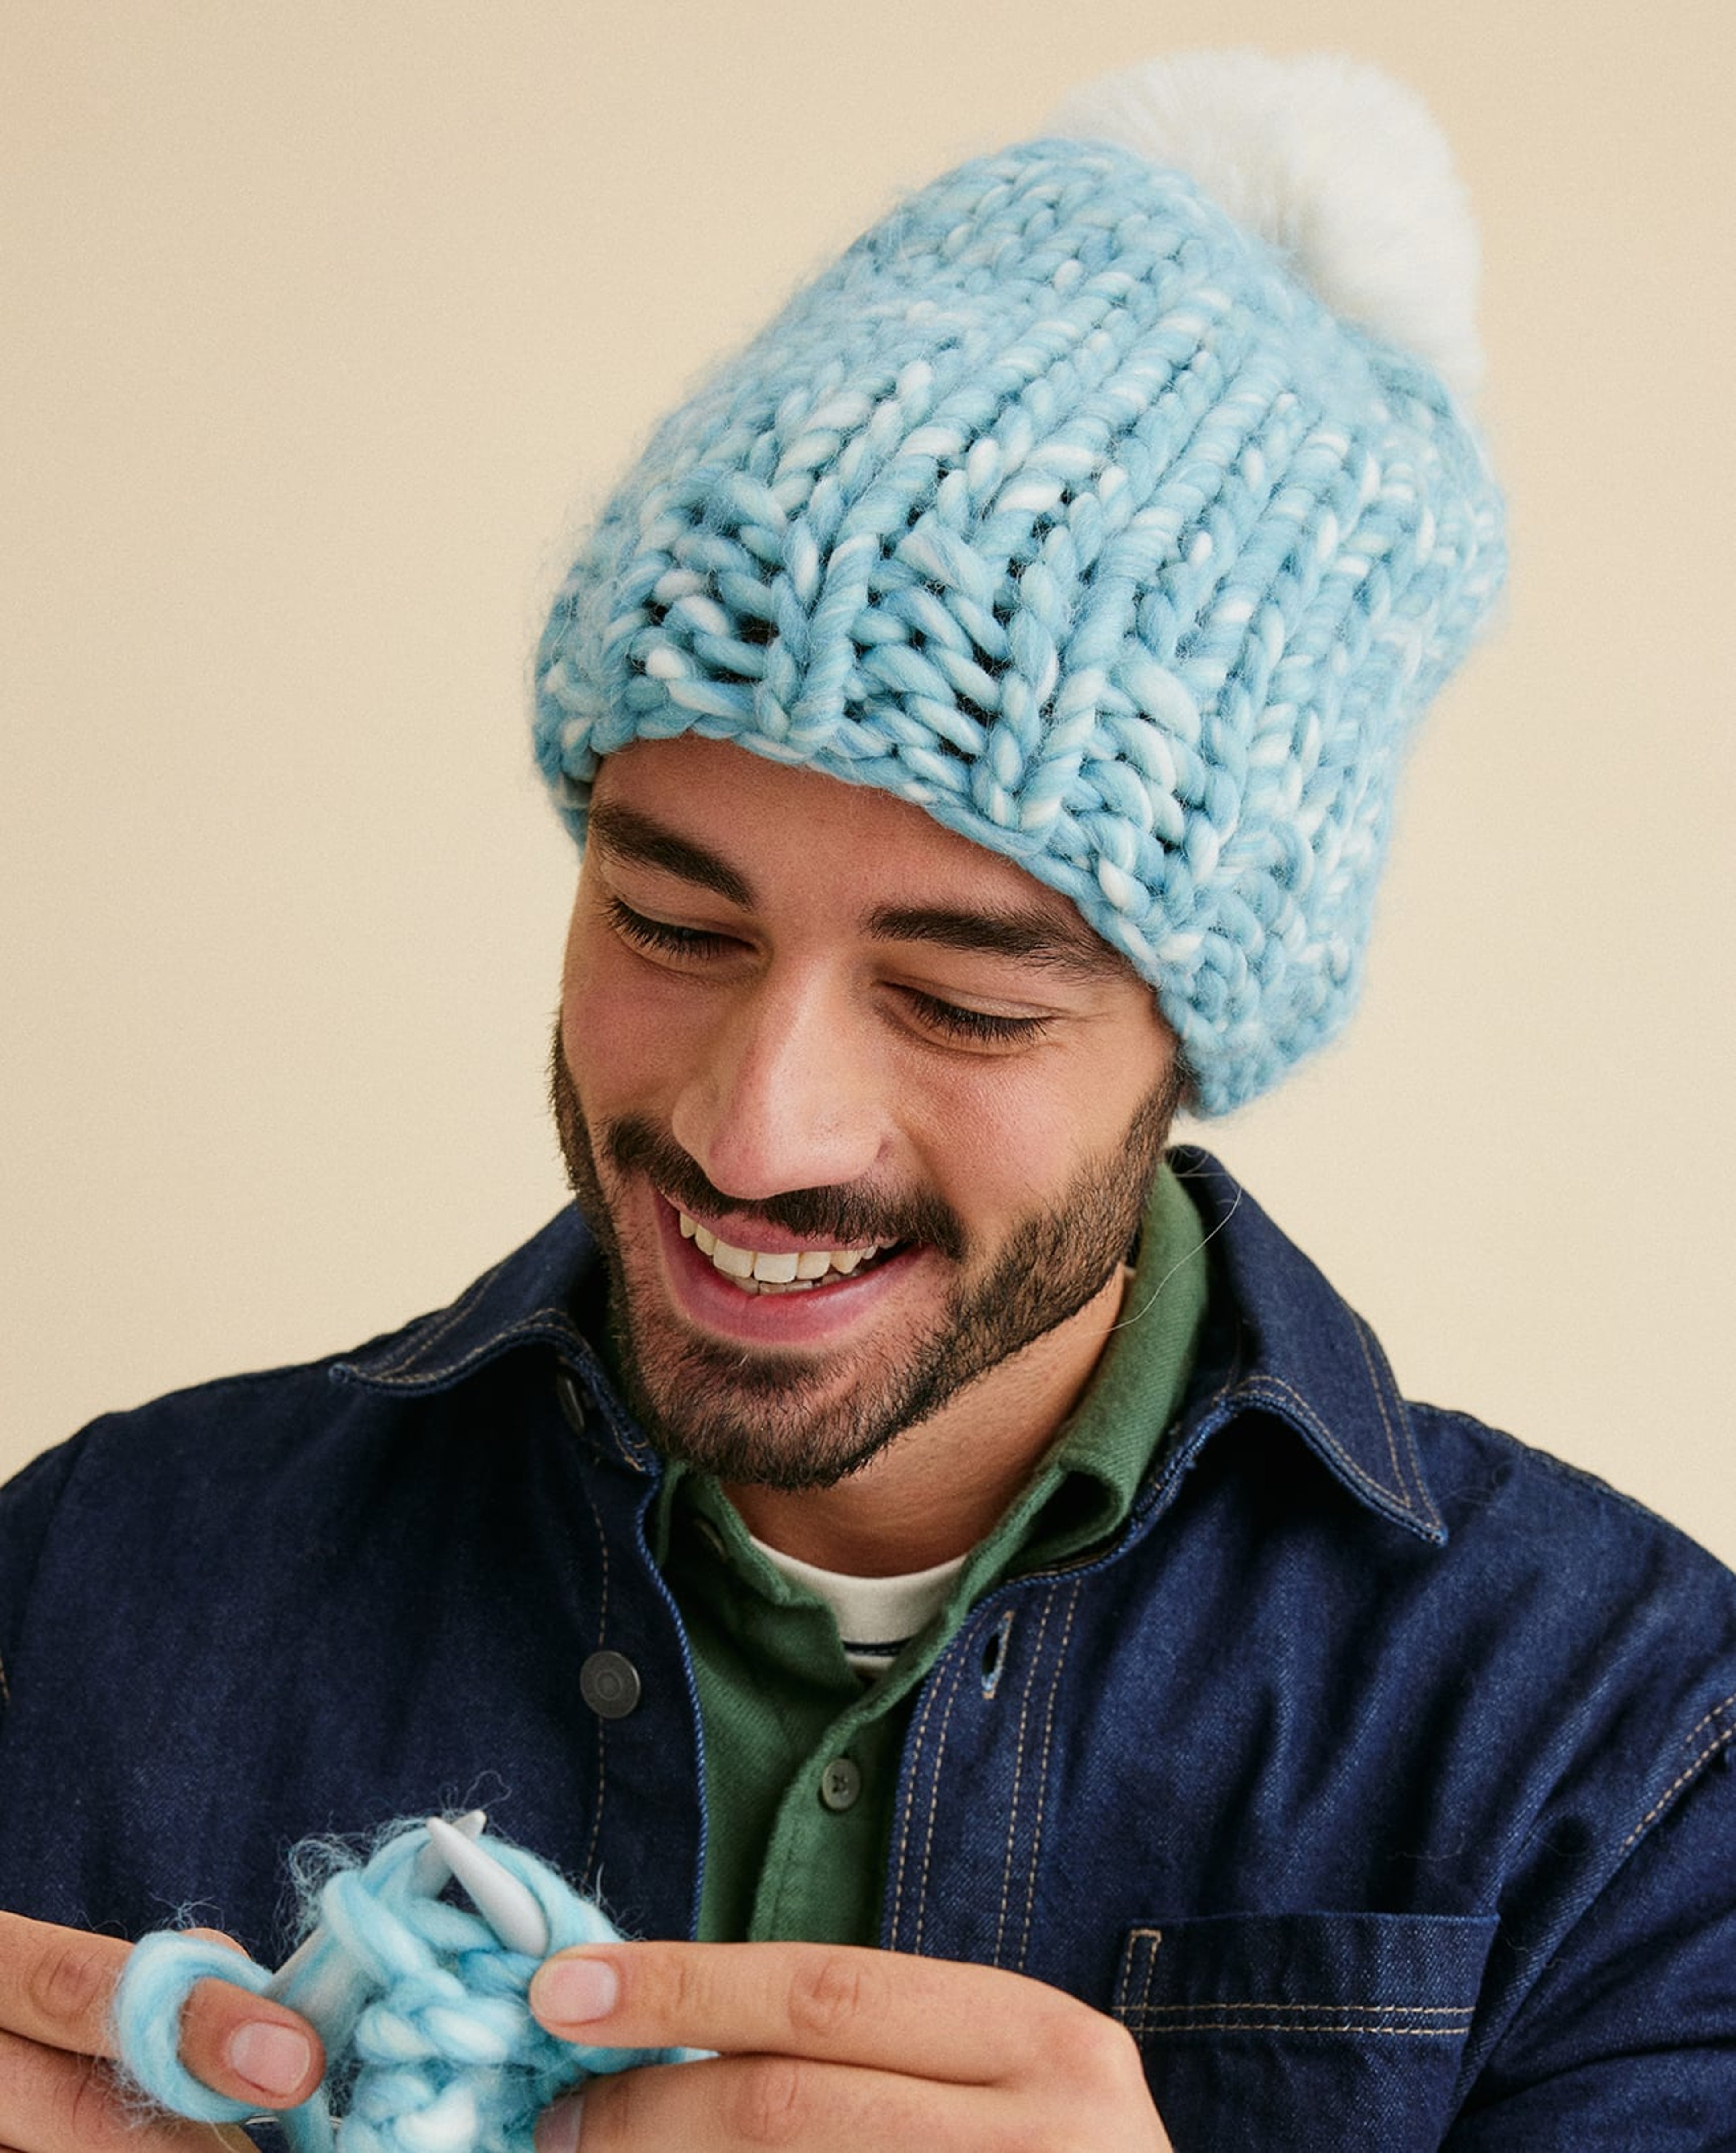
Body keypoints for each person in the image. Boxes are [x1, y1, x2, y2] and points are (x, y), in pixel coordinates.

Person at [2, 48, 1733, 2153]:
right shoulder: (88, 1585)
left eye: (959, 1000)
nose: (758, 1131)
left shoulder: (1627, 1757)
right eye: (673, 924)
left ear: (1190, 1036)